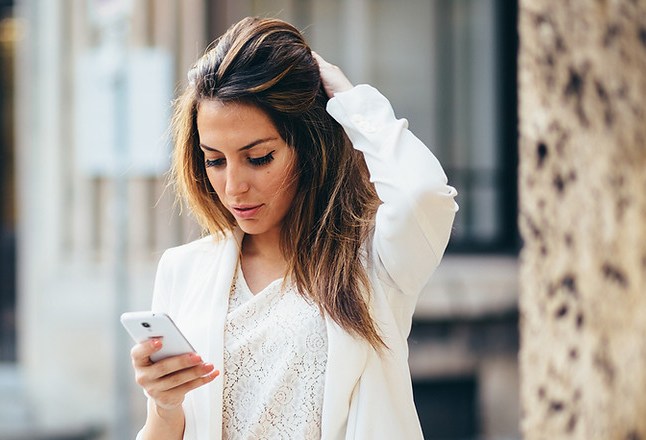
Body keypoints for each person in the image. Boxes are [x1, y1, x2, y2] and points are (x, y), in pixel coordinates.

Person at [129, 17, 458, 440]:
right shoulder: (183, 271)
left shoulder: (372, 261)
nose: (234, 186)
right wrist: (165, 406)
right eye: (214, 160)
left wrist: (349, 101)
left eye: (259, 157)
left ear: (308, 146)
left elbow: (424, 194)